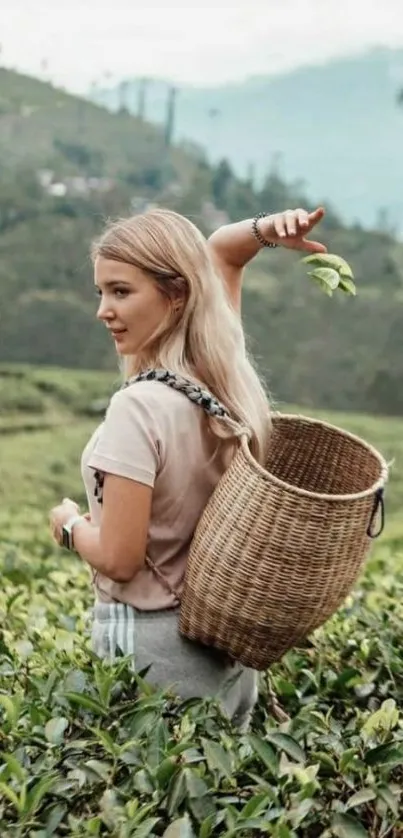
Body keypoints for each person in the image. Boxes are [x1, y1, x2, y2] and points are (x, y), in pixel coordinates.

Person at [49, 205, 327, 730]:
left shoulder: (138, 407)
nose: (103, 311)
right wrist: (266, 231)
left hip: (153, 651)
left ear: (175, 294)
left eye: (121, 291)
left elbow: (120, 559)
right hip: (223, 654)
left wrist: (68, 527)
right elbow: (220, 253)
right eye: (101, 292)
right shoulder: (220, 383)